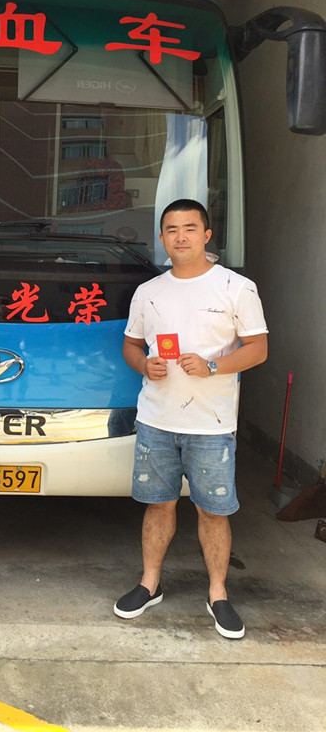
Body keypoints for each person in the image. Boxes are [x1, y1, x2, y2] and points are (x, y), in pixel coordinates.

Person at [114, 199, 268, 639]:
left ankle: (218, 594)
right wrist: (144, 366)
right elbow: (131, 346)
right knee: (158, 505)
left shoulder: (236, 287)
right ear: (162, 238)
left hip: (212, 426)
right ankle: (150, 583)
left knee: (213, 512)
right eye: (171, 229)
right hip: (156, 421)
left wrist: (213, 366)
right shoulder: (149, 292)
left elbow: (258, 349)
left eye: (189, 228)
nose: (180, 236)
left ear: (206, 235)